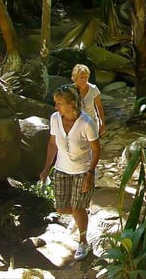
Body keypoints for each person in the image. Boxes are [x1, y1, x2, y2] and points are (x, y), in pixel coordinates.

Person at [40, 84, 101, 261]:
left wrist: (90, 173)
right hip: (61, 169)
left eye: (59, 103)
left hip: (82, 171)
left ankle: (83, 242)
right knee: (62, 208)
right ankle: (81, 218)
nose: (56, 106)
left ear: (72, 103)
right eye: (55, 103)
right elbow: (52, 144)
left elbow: (96, 150)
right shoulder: (54, 118)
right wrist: (46, 169)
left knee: (77, 207)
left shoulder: (86, 123)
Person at [71, 63, 107, 138]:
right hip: (77, 123)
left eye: (86, 77)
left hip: (92, 122)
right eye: (81, 77)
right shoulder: (71, 90)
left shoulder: (93, 89)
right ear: (75, 78)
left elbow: (99, 107)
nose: (84, 80)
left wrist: (102, 124)